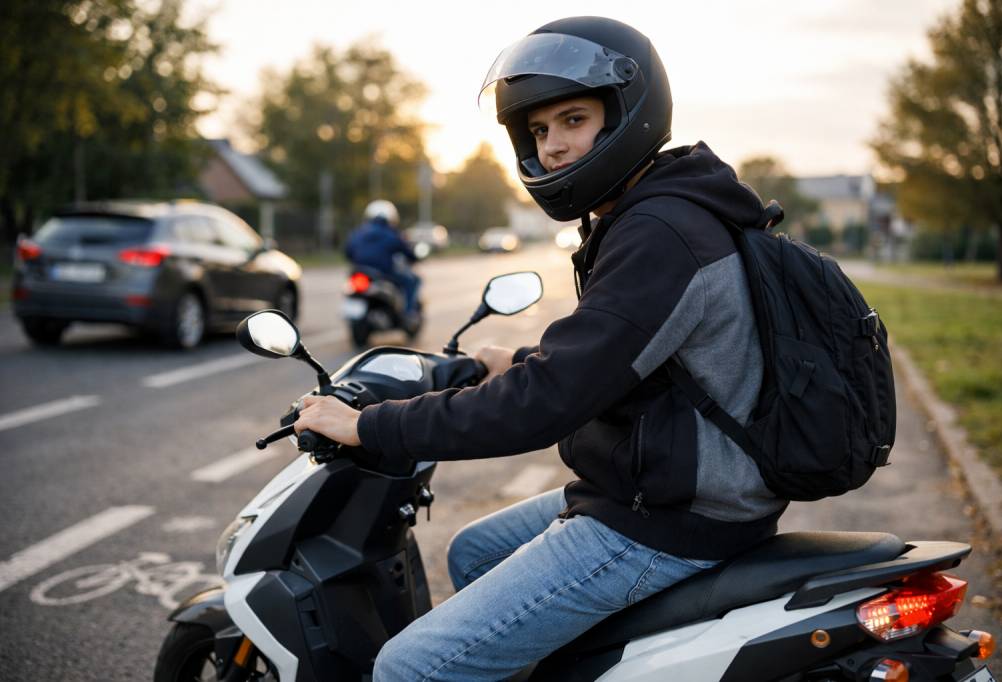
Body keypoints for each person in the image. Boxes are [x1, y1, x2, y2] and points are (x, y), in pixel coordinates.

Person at [296, 16, 787, 681]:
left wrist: (367, 426)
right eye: (538, 131)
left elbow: (546, 405)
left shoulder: (660, 233)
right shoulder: (656, 208)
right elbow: (618, 363)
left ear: (626, 115)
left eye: (573, 120)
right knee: (474, 552)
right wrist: (518, 362)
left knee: (409, 667)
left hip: (669, 522)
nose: (553, 147)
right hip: (655, 490)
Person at [344, 199, 421, 315]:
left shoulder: (358, 232)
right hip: (383, 272)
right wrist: (414, 258)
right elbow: (406, 251)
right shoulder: (391, 233)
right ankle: (408, 314)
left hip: (358, 270)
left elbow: (348, 252)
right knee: (412, 281)